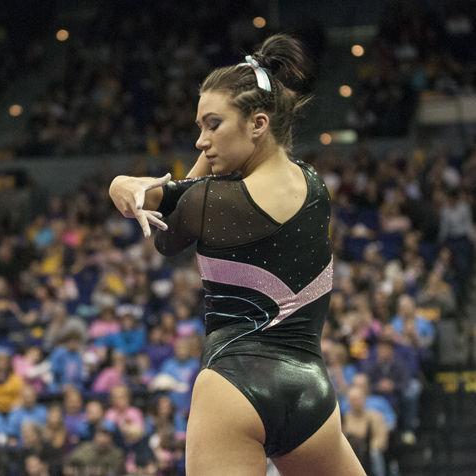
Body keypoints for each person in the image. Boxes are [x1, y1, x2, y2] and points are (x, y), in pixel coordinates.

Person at [109, 34, 364, 474]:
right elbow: (183, 194)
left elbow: (167, 236)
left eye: (212, 125)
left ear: (258, 124)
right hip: (310, 397)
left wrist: (123, 185)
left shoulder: (214, 201)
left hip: (234, 388)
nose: (200, 141)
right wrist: (144, 183)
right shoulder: (313, 182)